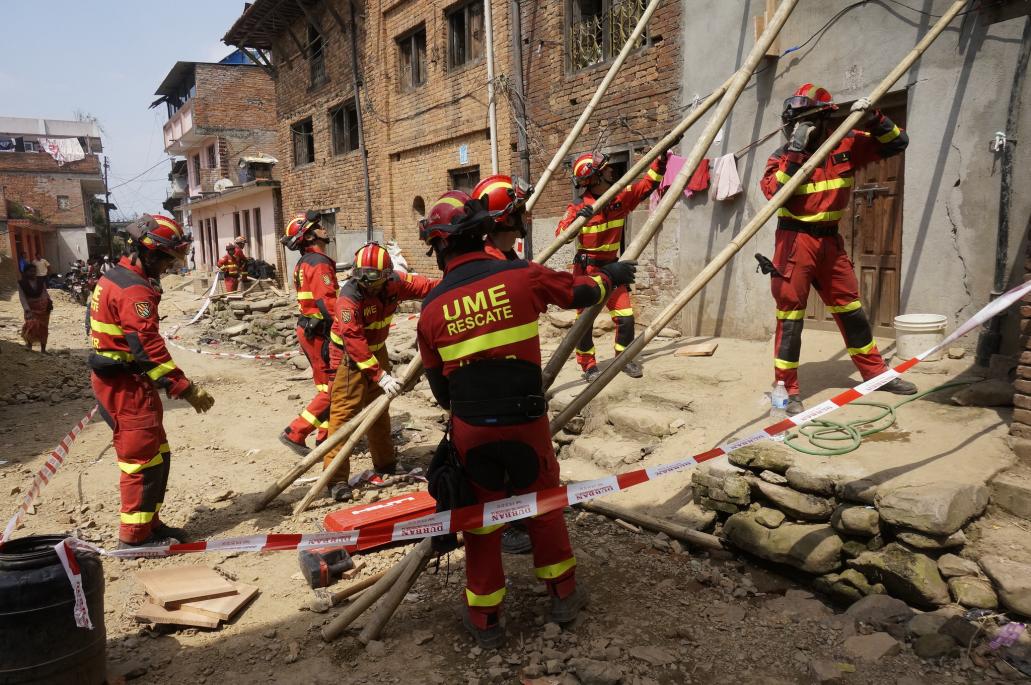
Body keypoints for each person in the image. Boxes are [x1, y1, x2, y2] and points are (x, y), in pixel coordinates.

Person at [416, 192, 637, 647]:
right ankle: (563, 595)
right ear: (484, 231)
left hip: (472, 430)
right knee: (545, 505)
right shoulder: (521, 275)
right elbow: (579, 292)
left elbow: (441, 392)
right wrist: (610, 277)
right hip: (527, 422)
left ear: (438, 248)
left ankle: (486, 621)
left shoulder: (431, 310)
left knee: (480, 520)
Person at [760, 83, 916, 415]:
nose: (796, 128)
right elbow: (774, 193)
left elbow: (898, 142)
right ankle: (786, 389)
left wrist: (872, 117)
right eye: (794, 122)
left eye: (804, 121)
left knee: (850, 309)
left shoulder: (847, 145)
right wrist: (796, 152)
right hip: (794, 243)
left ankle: (875, 374)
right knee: (790, 317)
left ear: (823, 120)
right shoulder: (781, 157)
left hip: (830, 241)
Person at [87, 214, 215, 548]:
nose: (170, 267)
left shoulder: (114, 277)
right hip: (125, 388)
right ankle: (134, 539)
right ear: (151, 252)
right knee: (141, 462)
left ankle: (150, 524)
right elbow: (148, 349)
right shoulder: (134, 291)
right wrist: (185, 388)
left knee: (157, 455)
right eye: (168, 260)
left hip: (128, 383)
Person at [322, 242, 437, 501]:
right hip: (349, 357)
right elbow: (354, 340)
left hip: (377, 349)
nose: (365, 282)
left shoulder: (396, 283)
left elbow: (428, 287)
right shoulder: (349, 297)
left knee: (379, 410)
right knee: (343, 414)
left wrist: (456, 286)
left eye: (371, 277)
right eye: (360, 275)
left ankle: (385, 464)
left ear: (386, 275)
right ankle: (336, 480)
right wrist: (380, 375)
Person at [555, 149, 668, 381]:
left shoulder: (620, 197)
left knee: (626, 316)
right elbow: (560, 236)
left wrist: (661, 160)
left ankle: (622, 359)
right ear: (593, 177)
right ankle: (588, 366)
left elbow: (647, 185)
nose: (610, 170)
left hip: (613, 269)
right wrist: (578, 221)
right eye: (605, 169)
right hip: (586, 272)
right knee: (585, 323)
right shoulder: (577, 207)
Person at [470, 176, 536, 556]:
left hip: (515, 378)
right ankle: (510, 526)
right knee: (503, 461)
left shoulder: (507, 259)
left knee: (519, 458)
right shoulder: (488, 267)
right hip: (494, 385)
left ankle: (519, 516)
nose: (524, 218)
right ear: (504, 220)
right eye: (519, 212)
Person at [279, 212, 338, 454]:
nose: (325, 229)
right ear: (310, 235)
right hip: (320, 333)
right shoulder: (319, 262)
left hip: (310, 329)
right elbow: (328, 303)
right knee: (335, 387)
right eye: (319, 227)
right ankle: (296, 431)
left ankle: (325, 438)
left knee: (324, 387)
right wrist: (347, 328)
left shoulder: (305, 263)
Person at [472, 175, 527, 261]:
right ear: (508, 221)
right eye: (522, 211)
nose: (526, 215)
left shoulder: (507, 255)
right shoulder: (492, 265)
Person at [18, 263, 52, 353]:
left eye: (34, 271)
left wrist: (49, 302)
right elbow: (22, 297)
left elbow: (45, 292)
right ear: (25, 272)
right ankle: (29, 346)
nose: (33, 273)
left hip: (43, 309)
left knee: (43, 328)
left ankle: (43, 349)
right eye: (30, 271)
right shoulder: (22, 284)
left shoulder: (40, 281)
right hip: (31, 309)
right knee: (30, 326)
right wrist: (27, 309)